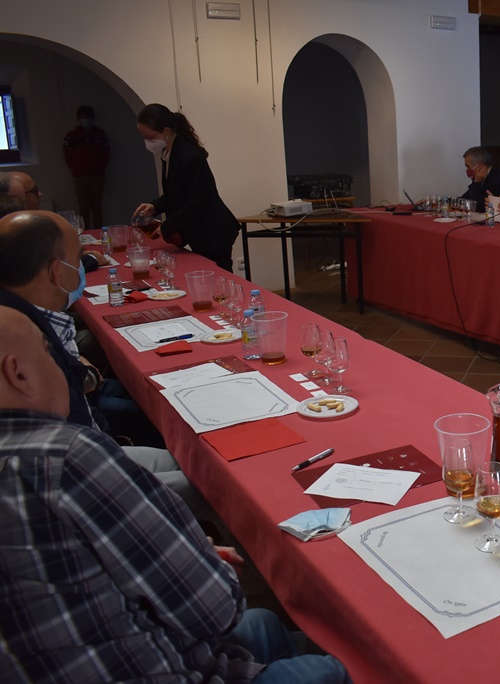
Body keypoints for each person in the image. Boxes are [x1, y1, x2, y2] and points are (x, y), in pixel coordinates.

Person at [0, 307, 352, 683]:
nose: (62, 365)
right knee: (329, 670)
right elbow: (215, 610)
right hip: (156, 664)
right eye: (47, 352)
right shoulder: (67, 458)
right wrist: (201, 559)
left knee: (264, 624)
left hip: (83, 650)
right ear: (18, 373)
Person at [0, 210, 208, 517]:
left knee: (203, 465)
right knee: (217, 490)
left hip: (91, 450)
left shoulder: (22, 314)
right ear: (57, 271)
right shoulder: (20, 333)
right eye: (78, 258)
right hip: (78, 474)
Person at [133, 103, 240, 271]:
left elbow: (198, 201)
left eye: (150, 137)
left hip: (213, 230)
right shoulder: (168, 153)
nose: (148, 143)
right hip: (199, 229)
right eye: (144, 138)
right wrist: (154, 206)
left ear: (166, 131)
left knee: (219, 276)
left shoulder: (189, 155)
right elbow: (175, 193)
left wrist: (167, 226)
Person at [63, 104, 110, 231]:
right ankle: (85, 232)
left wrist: (99, 168)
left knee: (97, 206)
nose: (86, 120)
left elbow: (105, 154)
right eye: (84, 117)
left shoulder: (100, 134)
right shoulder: (72, 135)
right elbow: (67, 156)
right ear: (79, 118)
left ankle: (98, 231)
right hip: (79, 176)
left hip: (97, 175)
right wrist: (76, 168)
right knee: (83, 206)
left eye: (89, 117)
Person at [460, 146, 500, 213]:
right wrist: (448, 201)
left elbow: (478, 207)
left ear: (479, 166)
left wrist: (477, 183)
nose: (467, 170)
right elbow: (464, 199)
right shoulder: (480, 178)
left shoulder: (498, 182)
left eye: (468, 166)